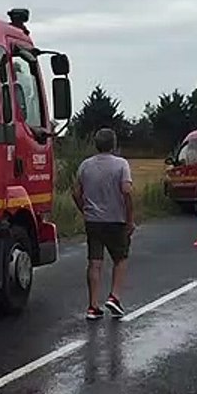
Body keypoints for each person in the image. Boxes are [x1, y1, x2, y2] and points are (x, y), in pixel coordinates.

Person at [71, 127, 135, 320]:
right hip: (116, 219)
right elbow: (126, 191)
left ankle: (92, 305)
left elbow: (75, 192)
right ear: (114, 145)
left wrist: (85, 210)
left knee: (94, 262)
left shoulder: (85, 165)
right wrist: (130, 219)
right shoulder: (121, 165)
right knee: (121, 258)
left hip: (93, 221)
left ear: (96, 144)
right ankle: (114, 296)